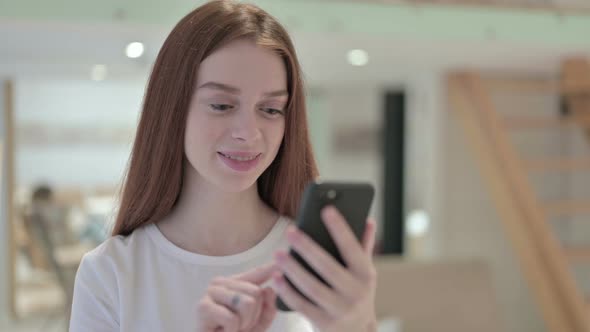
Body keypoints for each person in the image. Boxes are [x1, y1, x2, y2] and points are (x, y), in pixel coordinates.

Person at [69, 1, 378, 331]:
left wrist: (360, 325)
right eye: (221, 105)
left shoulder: (316, 266)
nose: (248, 133)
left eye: (271, 109)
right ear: (172, 108)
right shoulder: (111, 273)